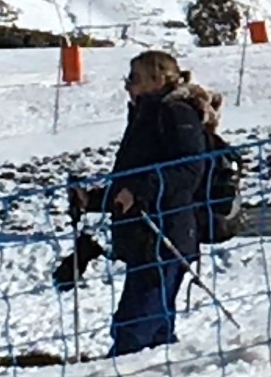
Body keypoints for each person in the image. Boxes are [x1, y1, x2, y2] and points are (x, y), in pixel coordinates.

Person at [70, 51, 210, 357]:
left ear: (158, 80)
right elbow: (132, 183)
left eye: (134, 78)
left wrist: (138, 191)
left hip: (164, 235)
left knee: (134, 330)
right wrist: (93, 200)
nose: (127, 86)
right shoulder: (146, 115)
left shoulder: (175, 114)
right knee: (155, 331)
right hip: (146, 235)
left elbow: (189, 170)